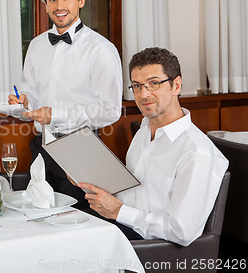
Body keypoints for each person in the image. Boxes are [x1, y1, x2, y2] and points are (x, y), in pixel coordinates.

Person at [78, 47, 228, 246]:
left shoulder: (196, 152)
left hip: (149, 247)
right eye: (137, 86)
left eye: (154, 83)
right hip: (120, 226)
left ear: (176, 85)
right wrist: (89, 178)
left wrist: (119, 211)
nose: (144, 94)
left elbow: (181, 230)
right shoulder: (144, 130)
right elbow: (134, 194)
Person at [8, 0, 122, 207]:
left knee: (78, 220)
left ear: (81, 1)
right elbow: (30, 93)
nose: (59, 6)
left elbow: (110, 110)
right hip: (41, 145)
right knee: (37, 215)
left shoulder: (100, 49)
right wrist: (25, 102)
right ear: (45, 4)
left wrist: (56, 114)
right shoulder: (37, 46)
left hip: (80, 149)